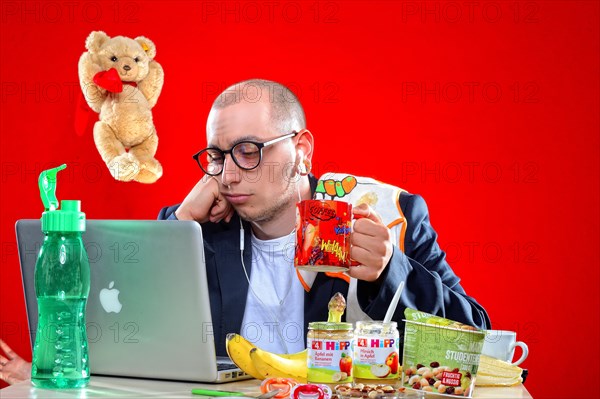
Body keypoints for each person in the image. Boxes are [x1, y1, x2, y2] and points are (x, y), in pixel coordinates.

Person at [0, 78, 490, 385]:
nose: (229, 174)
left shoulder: (388, 213)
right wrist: (180, 225)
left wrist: (391, 271)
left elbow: (479, 342)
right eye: (216, 155)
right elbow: (134, 337)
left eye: (249, 150)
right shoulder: (198, 228)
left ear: (302, 150)